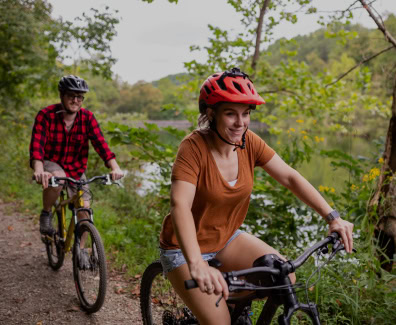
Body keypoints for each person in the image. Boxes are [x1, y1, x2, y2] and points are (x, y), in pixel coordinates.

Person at [158, 67, 354, 325]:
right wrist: (196, 264)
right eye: (230, 113)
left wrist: (332, 217)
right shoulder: (193, 148)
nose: (241, 123)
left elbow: (290, 177)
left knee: (283, 277)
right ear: (211, 113)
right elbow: (180, 204)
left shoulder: (249, 142)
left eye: (246, 114)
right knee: (220, 323)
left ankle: (233, 307)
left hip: (226, 239)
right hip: (184, 250)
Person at [30, 75, 124, 236]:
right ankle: (46, 213)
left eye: (79, 97)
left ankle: (81, 254)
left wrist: (115, 167)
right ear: (62, 95)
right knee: (58, 178)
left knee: (84, 210)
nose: (75, 100)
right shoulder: (46, 115)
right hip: (51, 161)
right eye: (71, 96)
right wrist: (39, 170)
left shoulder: (87, 118)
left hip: (76, 168)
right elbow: (37, 146)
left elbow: (101, 145)